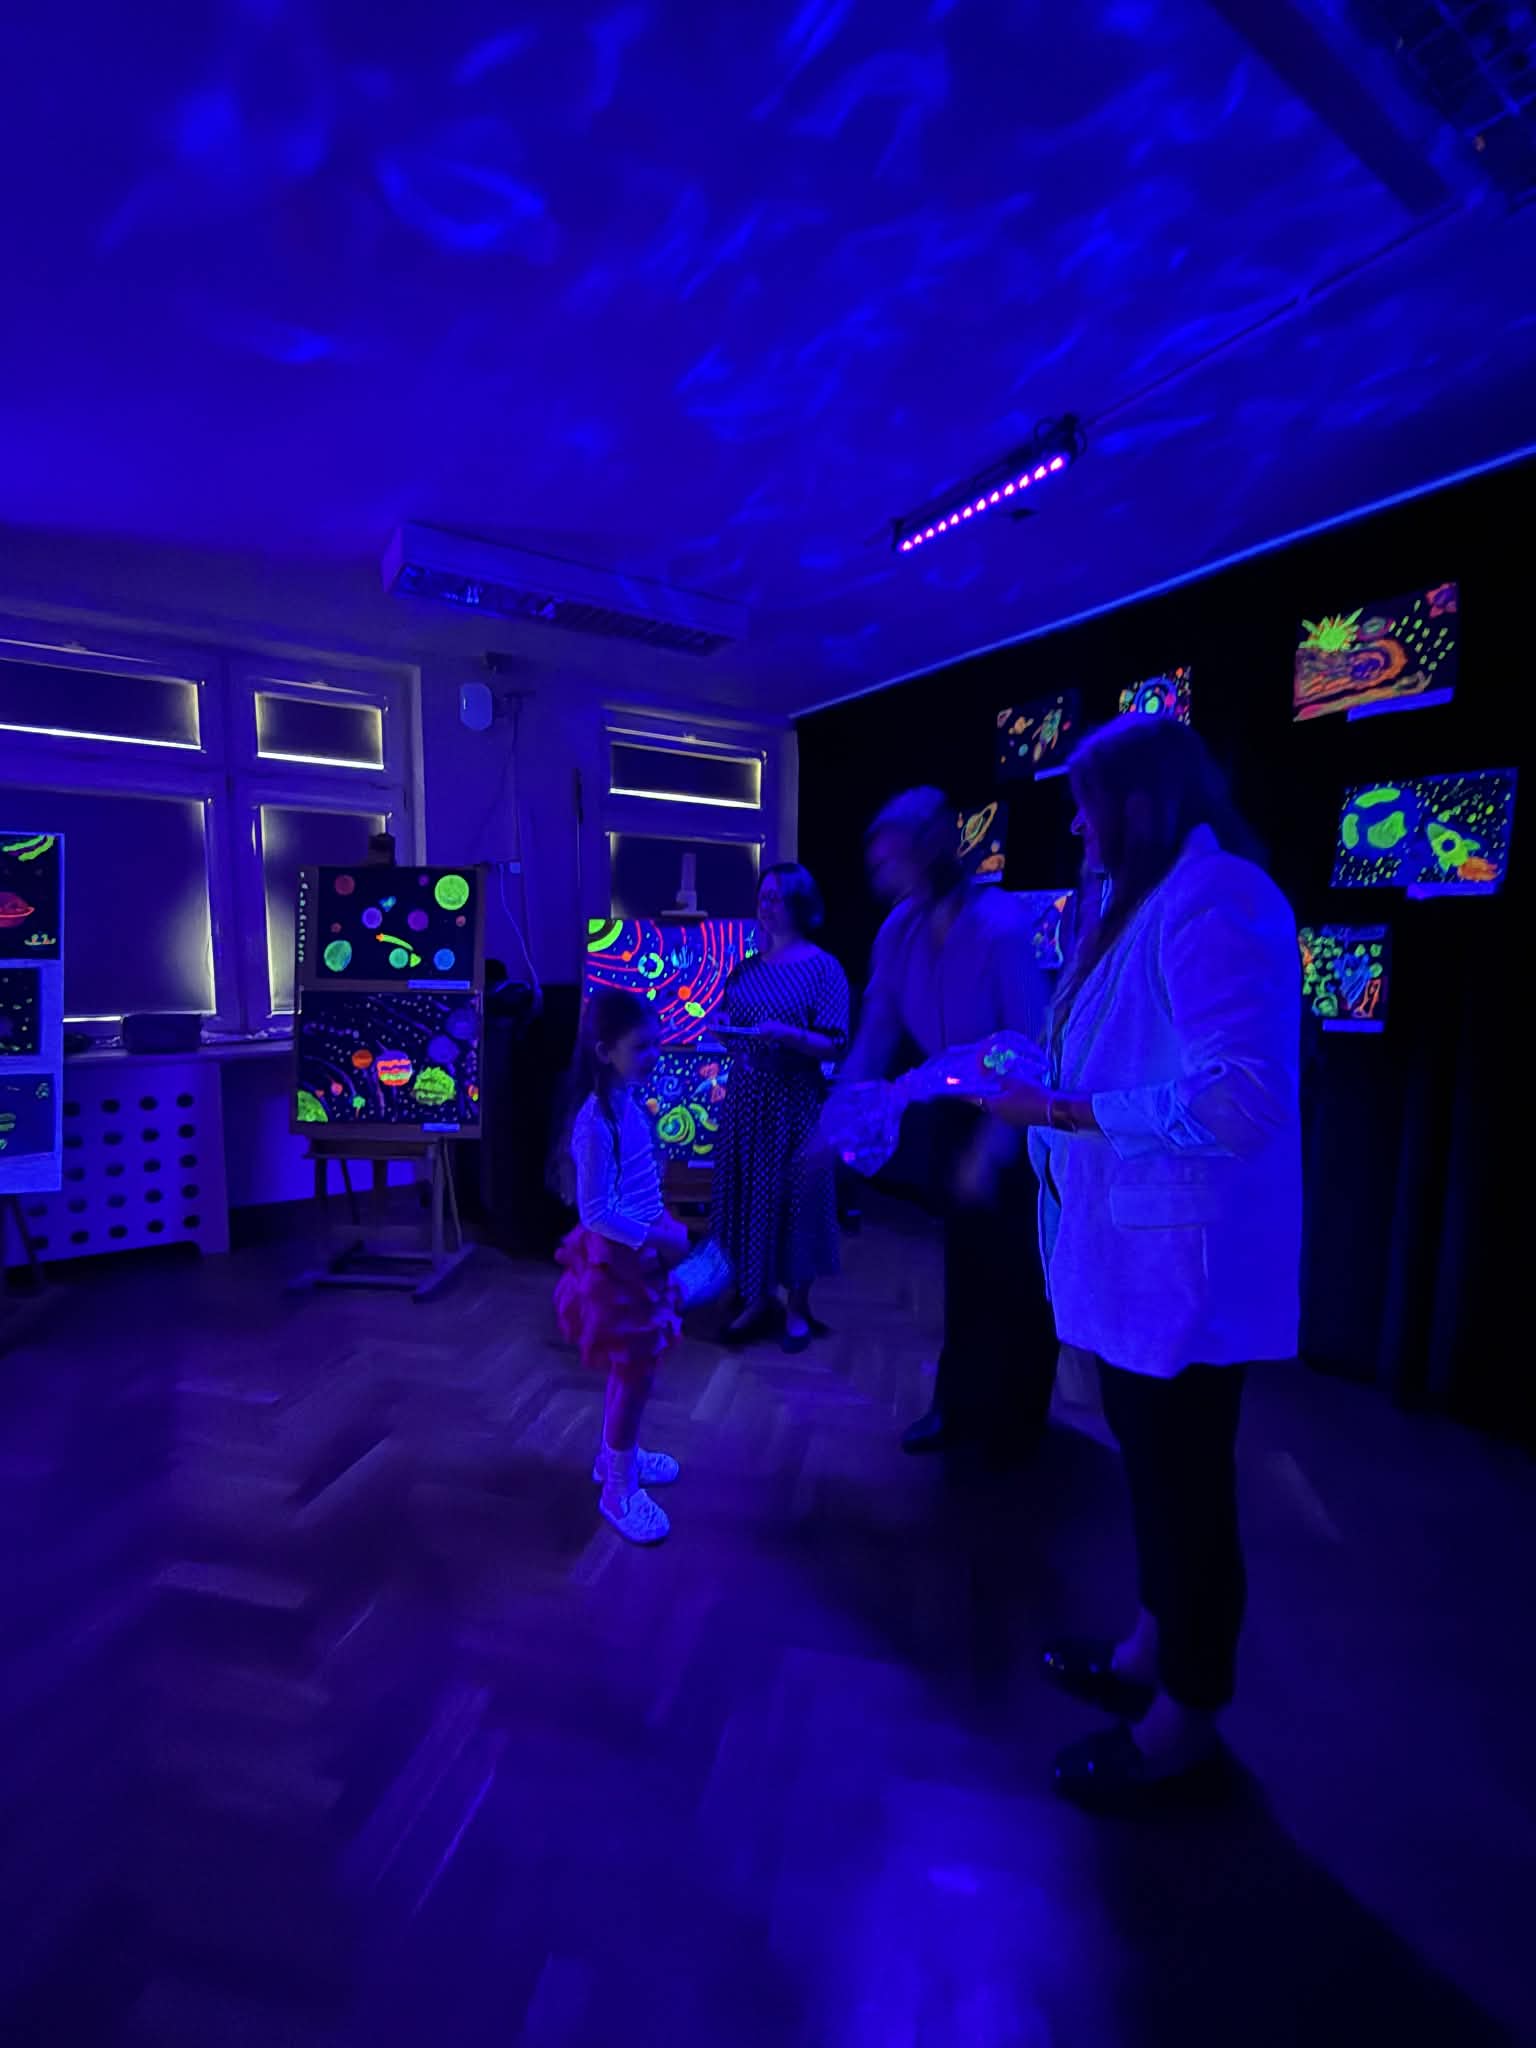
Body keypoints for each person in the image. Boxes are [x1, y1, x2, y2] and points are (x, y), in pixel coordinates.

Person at [984, 714, 1301, 1812]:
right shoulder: (1147, 899)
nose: (1076, 827)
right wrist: (1038, 1076)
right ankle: (1147, 1652)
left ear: (1141, 802)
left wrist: (1061, 1107)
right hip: (1135, 1263)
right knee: (1155, 1478)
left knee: (1188, 1492)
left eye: (1086, 805)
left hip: (1185, 1275)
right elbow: (1118, 1052)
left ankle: (1185, 1723)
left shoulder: (1219, 897)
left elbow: (1242, 1100)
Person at [840, 788, 1055, 1455]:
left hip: (1017, 1116)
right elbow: (877, 1028)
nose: (880, 874)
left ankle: (1020, 1423)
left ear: (930, 847)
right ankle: (956, 1404)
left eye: (891, 858)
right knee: (965, 1266)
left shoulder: (1001, 926)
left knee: (1018, 1273)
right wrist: (840, 1113)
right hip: (953, 1115)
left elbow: (1031, 1046)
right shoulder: (898, 931)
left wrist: (990, 1152)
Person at [553, 988, 690, 1545]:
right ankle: (618, 1490)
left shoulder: (625, 1100)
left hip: (640, 1250)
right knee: (635, 1373)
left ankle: (617, 1456)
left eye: (656, 1042)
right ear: (605, 1051)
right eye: (641, 1046)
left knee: (636, 1371)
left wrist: (659, 1223)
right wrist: (654, 1236)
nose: (654, 1054)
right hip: (620, 1262)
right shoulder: (594, 1122)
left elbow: (634, 1183)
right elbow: (594, 1211)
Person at [713, 863, 850, 1352]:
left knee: (798, 1202)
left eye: (777, 897)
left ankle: (796, 1308)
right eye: (763, 896)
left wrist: (789, 1035)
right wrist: (723, 1029)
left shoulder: (824, 969)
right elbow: (734, 1029)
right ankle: (756, 1298)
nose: (766, 905)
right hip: (746, 1100)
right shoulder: (745, 969)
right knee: (748, 1197)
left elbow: (835, 1044)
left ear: (800, 904)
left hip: (795, 1101)